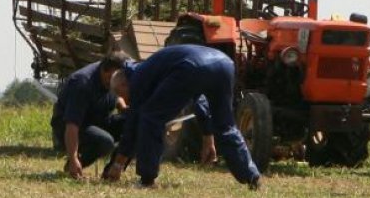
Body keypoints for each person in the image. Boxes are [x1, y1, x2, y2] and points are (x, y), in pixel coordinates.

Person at [104, 44, 261, 190]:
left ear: (124, 84)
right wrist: (208, 137)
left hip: (192, 67)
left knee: (150, 117)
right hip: (224, 63)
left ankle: (147, 180)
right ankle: (252, 177)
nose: (124, 100)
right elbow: (198, 98)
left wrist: (117, 165)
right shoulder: (152, 69)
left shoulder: (137, 77)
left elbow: (133, 125)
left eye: (120, 94)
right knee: (226, 125)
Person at [51, 51, 130, 178]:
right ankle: (76, 166)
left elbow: (116, 96)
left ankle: (112, 171)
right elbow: (72, 125)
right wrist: (73, 158)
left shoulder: (114, 77)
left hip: (99, 119)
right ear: (106, 71)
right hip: (70, 127)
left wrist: (124, 107)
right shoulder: (82, 83)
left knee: (135, 123)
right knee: (105, 141)